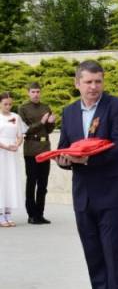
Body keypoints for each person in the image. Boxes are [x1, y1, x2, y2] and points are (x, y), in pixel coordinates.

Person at [56, 60, 118, 289]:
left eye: (98, 81)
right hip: (84, 197)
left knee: (116, 259)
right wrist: (64, 160)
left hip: (114, 195)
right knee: (95, 259)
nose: (93, 87)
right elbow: (63, 147)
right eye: (88, 82)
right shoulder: (69, 112)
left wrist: (87, 159)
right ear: (77, 83)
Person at [19, 82, 56, 225]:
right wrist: (41, 122)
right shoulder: (23, 108)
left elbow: (49, 130)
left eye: (38, 92)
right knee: (31, 182)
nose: (36, 94)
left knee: (43, 183)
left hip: (45, 148)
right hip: (31, 150)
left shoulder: (46, 107)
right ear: (28, 92)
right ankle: (31, 214)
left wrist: (51, 123)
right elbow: (25, 130)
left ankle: (40, 214)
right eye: (33, 92)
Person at [0, 92, 26, 227]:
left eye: (10, 104)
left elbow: (20, 135)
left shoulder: (16, 117)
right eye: (5, 104)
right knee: (1, 180)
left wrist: (17, 144)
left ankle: (8, 213)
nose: (8, 106)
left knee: (10, 180)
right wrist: (5, 146)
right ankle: (0, 214)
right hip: (2, 152)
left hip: (12, 154)